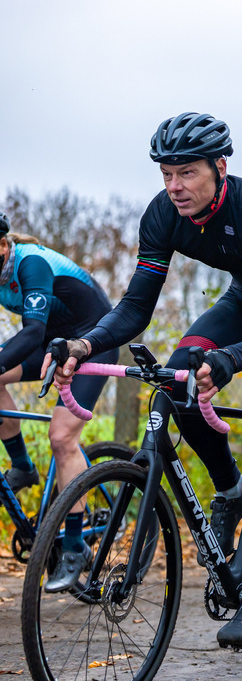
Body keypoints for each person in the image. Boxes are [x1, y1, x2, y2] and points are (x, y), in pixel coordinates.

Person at [45, 112, 242, 648]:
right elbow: (135, 307)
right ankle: (231, 490)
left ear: (220, 167)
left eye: (186, 173)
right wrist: (84, 343)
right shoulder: (163, 215)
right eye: (166, 174)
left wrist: (230, 359)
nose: (174, 187)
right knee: (178, 378)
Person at [0, 212, 119, 591]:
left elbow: (32, 331)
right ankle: (21, 465)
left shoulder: (30, 263)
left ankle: (73, 543)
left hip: (94, 343)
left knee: (62, 437)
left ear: (3, 247)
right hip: (53, 347)